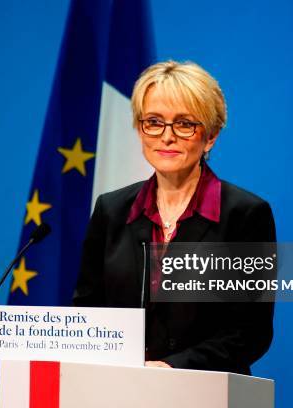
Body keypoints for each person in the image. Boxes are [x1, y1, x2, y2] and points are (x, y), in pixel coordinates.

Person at [73, 60, 276, 374]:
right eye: (153, 121)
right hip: (119, 388)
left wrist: (172, 367)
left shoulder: (245, 215)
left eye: (184, 124)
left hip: (205, 391)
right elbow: (87, 313)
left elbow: (250, 331)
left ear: (210, 136)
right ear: (140, 130)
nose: (166, 137)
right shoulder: (111, 210)